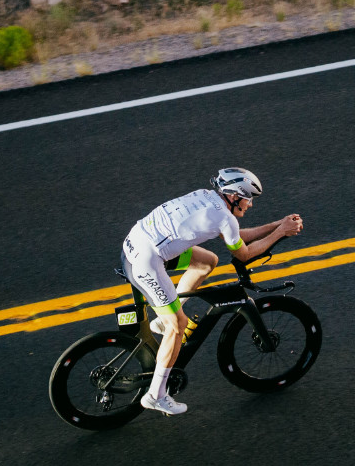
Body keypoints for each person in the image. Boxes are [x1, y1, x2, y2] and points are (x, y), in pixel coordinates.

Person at [121, 167, 304, 415]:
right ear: (235, 195)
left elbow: (235, 235)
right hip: (145, 260)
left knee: (207, 261)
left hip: (138, 240)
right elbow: (245, 253)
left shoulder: (207, 196)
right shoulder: (224, 217)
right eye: (248, 198)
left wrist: (277, 224)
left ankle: (162, 324)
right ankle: (156, 394)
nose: (250, 205)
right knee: (179, 324)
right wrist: (281, 232)